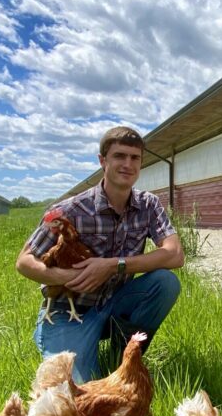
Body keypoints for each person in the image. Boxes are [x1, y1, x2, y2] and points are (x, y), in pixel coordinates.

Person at [17, 126, 184, 383]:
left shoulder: (148, 205)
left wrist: (112, 266)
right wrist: (67, 276)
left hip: (115, 302)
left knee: (165, 282)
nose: (128, 164)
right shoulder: (71, 209)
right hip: (70, 310)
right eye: (119, 156)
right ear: (102, 161)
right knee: (77, 392)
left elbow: (174, 255)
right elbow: (24, 262)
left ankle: (124, 357)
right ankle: (53, 335)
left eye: (135, 158)